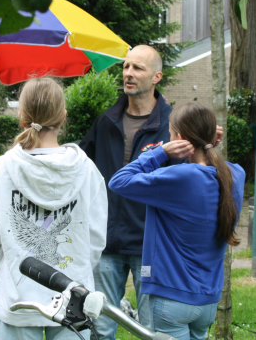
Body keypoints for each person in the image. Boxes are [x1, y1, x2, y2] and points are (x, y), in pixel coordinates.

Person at [80, 45, 222, 339]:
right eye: (126, 67)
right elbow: (85, 170)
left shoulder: (175, 125)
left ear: (157, 76)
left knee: (151, 329)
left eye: (138, 68)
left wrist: (205, 143)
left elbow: (193, 177)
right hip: (106, 241)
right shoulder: (105, 121)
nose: (128, 74)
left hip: (152, 247)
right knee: (100, 327)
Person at [0, 76, 108, 340]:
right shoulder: (89, 173)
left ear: (21, 118)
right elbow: (95, 241)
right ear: (63, 117)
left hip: (18, 295)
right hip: (73, 297)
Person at [108, 101, 245, 340]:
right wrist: (207, 142)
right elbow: (207, 166)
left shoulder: (178, 177)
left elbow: (119, 181)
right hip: (208, 300)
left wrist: (160, 152)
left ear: (179, 138)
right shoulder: (235, 175)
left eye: (170, 136)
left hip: (170, 298)